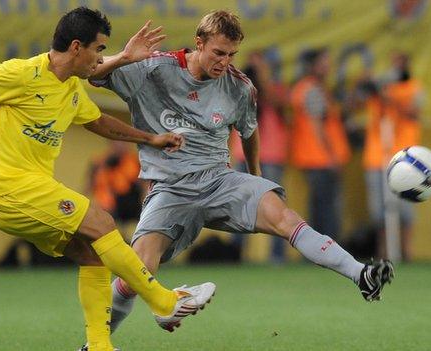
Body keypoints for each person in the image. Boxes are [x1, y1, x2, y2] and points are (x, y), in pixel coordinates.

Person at [89, 10, 395, 334]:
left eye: (232, 54)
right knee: (137, 271)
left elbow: (249, 132)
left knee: (285, 218)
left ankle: (360, 274)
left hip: (220, 179)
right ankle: (95, 342)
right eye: (218, 53)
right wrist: (123, 57)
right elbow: (92, 74)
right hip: (170, 187)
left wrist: (256, 175)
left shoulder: (239, 87)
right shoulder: (153, 69)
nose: (224, 62)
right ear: (199, 43)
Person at [0, 7, 215, 351]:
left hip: (27, 194)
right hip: (6, 189)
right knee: (102, 222)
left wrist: (150, 138)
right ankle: (164, 302)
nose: (100, 57)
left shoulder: (70, 89)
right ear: (76, 47)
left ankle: (98, 346)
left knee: (91, 254)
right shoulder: (22, 73)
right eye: (99, 48)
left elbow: (99, 122)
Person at [363, 53, 424, 262]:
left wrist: (390, 98)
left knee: (406, 209)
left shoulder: (413, 87)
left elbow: (415, 112)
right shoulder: (378, 89)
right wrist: (368, 84)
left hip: (406, 158)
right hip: (376, 157)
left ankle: (407, 252)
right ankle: (384, 253)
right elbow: (356, 103)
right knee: (379, 211)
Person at [290, 48, 350, 240]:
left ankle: (318, 250)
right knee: (326, 208)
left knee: (320, 206)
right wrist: (332, 156)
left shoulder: (310, 88)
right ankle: (328, 252)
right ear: (313, 65)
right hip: (320, 158)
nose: (328, 66)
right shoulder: (312, 90)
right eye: (324, 62)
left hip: (315, 157)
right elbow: (317, 126)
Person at [242, 50, 290, 263]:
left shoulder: (276, 88)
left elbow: (279, 105)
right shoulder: (238, 87)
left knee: (274, 206)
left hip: (270, 154)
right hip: (241, 153)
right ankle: (236, 256)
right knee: (236, 205)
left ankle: (277, 255)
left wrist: (263, 77)